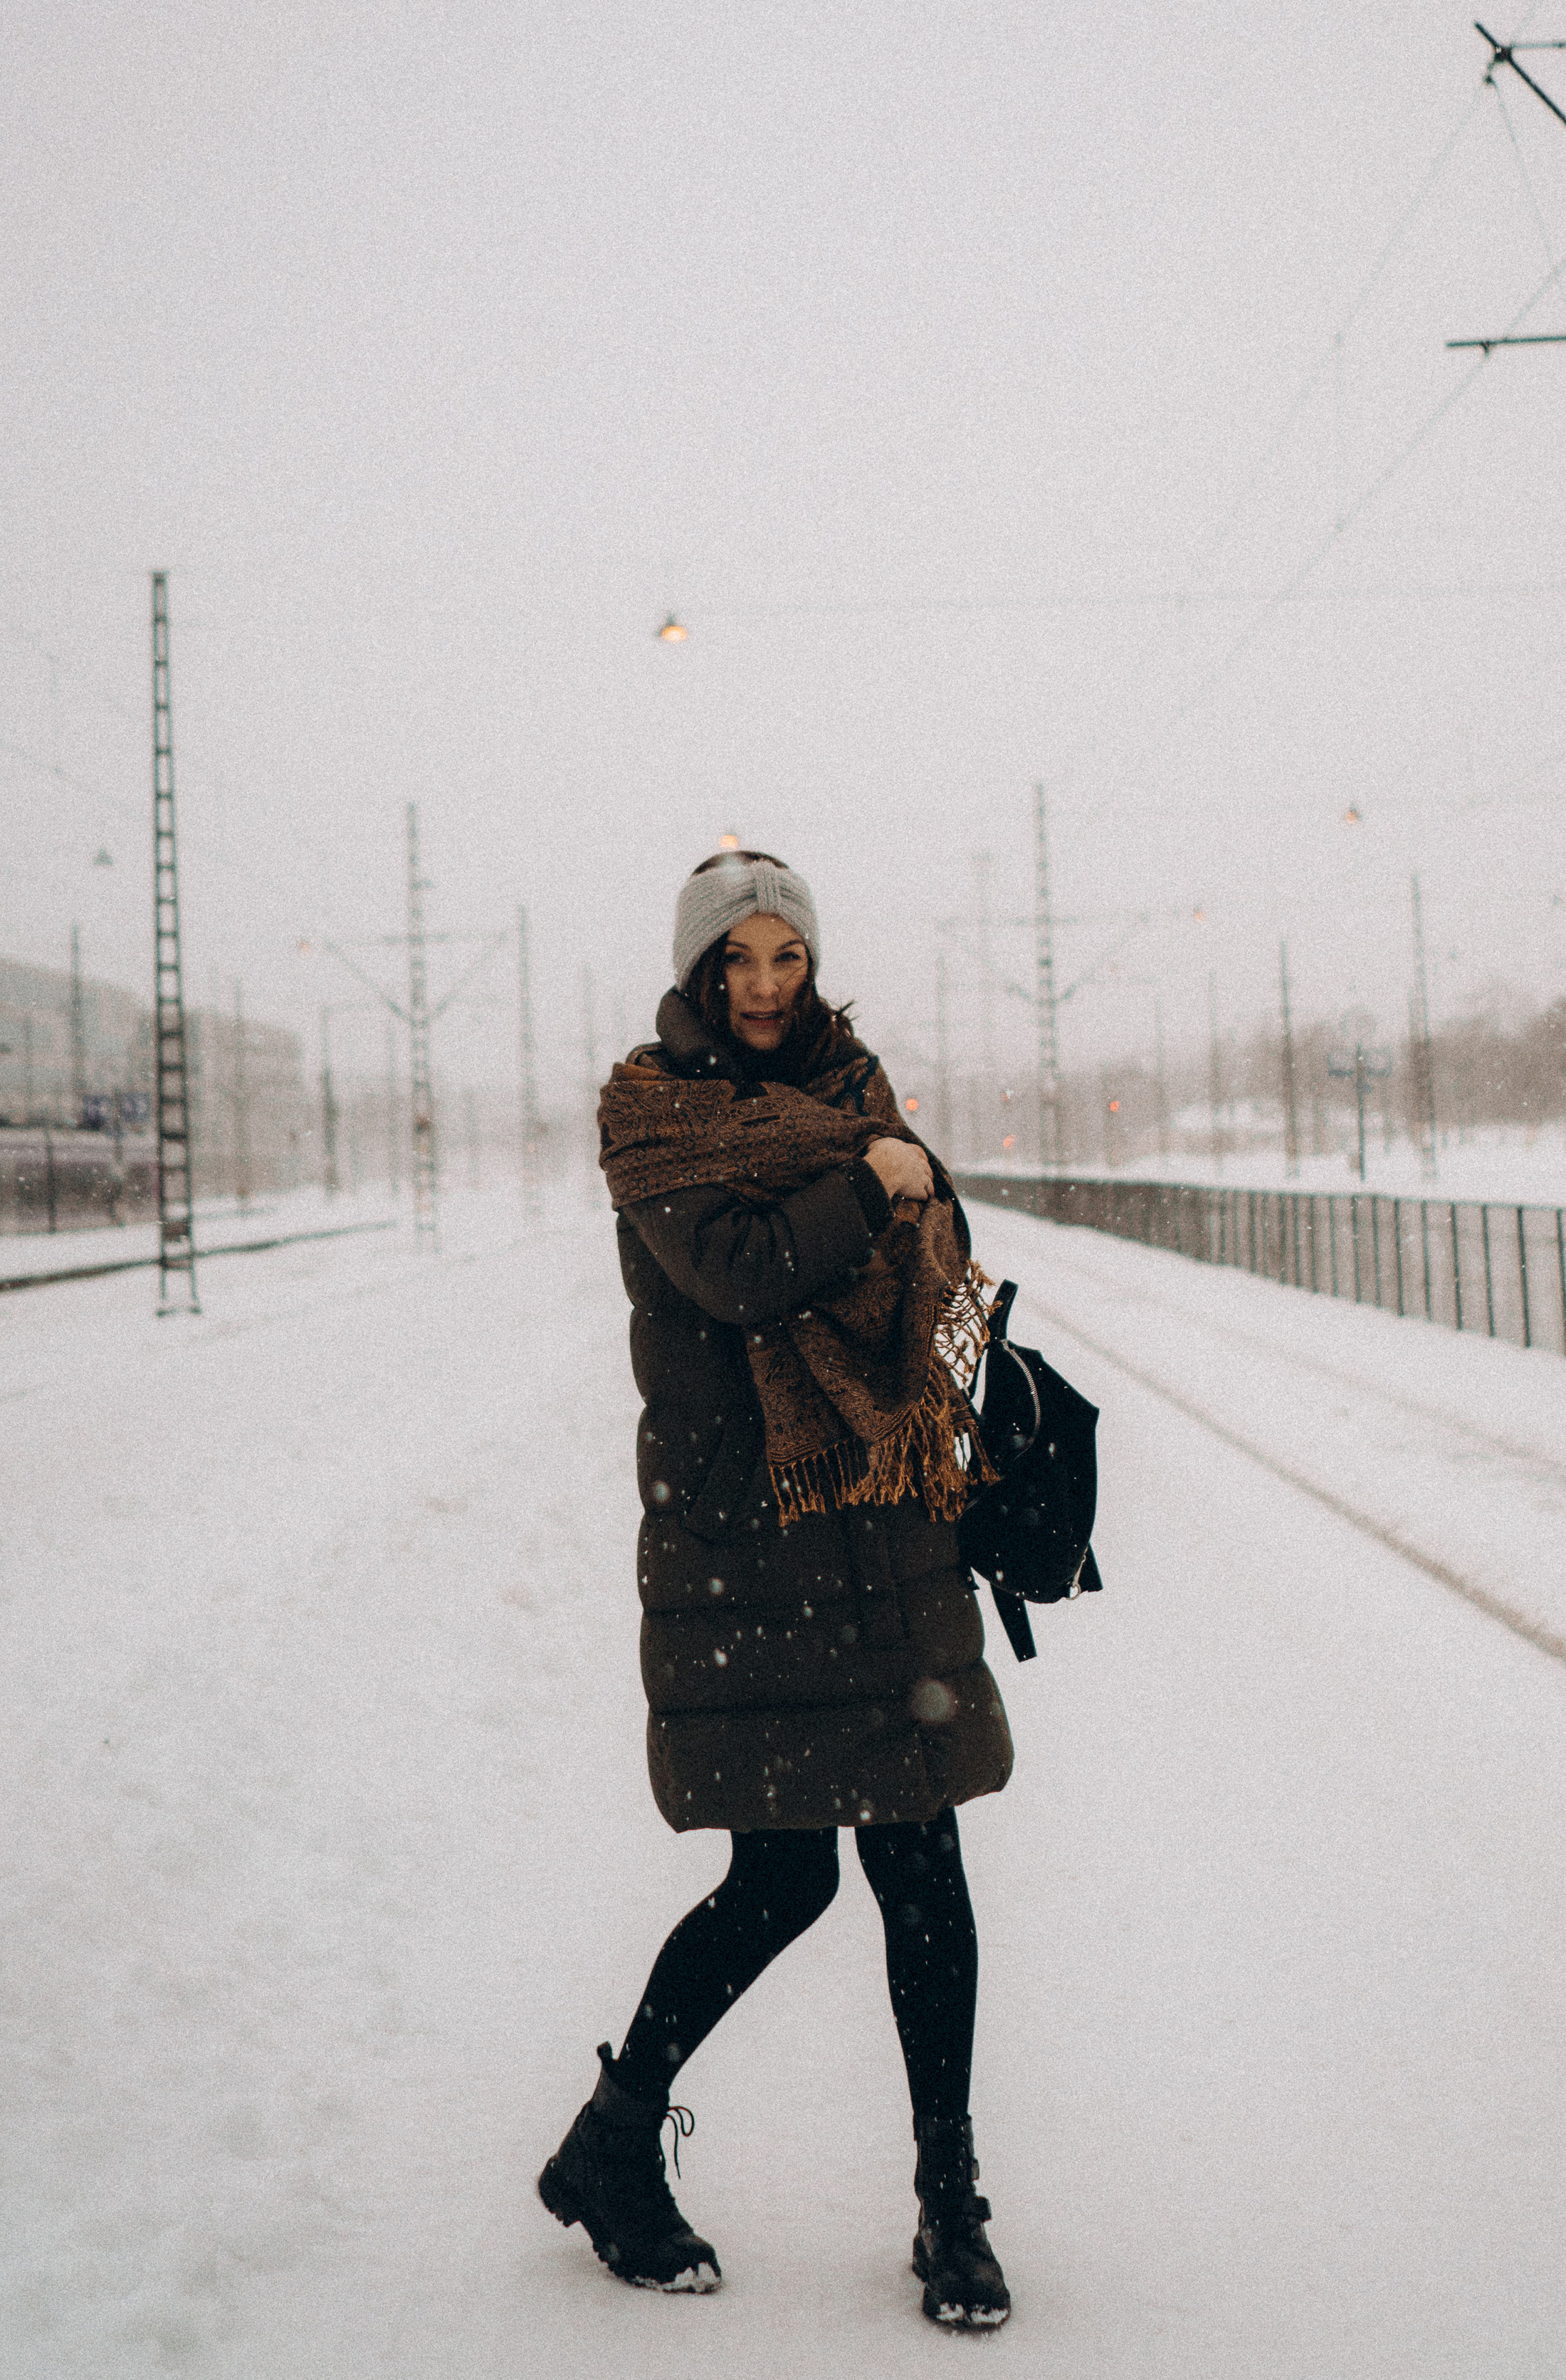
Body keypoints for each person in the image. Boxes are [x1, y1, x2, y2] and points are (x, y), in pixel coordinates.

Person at [538, 849, 1016, 2329]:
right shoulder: (652, 1114)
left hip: (879, 1530)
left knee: (921, 1870)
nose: (762, 988)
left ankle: (950, 2204)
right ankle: (615, 2146)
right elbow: (742, 1276)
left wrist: (907, 1185)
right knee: (783, 1875)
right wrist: (871, 1184)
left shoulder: (855, 1093)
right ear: (698, 971)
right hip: (748, 1547)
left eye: (785, 960)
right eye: (737, 962)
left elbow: (934, 1254)